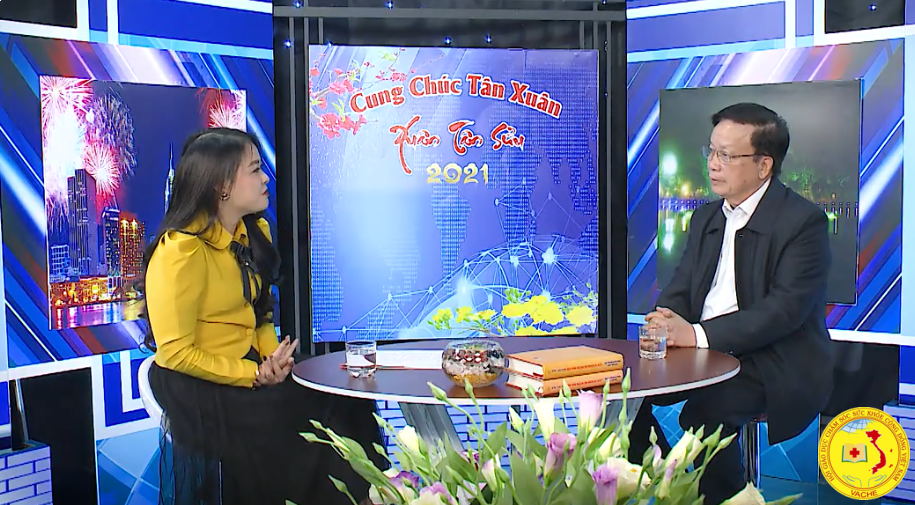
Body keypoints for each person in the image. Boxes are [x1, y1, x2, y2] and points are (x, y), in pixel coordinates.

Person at [135, 128, 385, 505]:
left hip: (251, 366)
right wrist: (252, 375)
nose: (266, 178)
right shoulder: (181, 251)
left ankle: (372, 495)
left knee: (345, 393)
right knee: (289, 416)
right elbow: (176, 354)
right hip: (197, 382)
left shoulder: (254, 232)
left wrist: (274, 362)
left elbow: (260, 316)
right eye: (254, 170)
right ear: (222, 186)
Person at [629, 103, 833, 504]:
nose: (712, 164)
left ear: (763, 165)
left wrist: (695, 335)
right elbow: (681, 286)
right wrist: (665, 321)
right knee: (622, 395)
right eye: (710, 151)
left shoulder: (803, 223)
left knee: (707, 412)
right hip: (704, 349)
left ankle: (728, 498)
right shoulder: (706, 218)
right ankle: (668, 484)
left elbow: (783, 312)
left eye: (726, 155)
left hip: (773, 359)